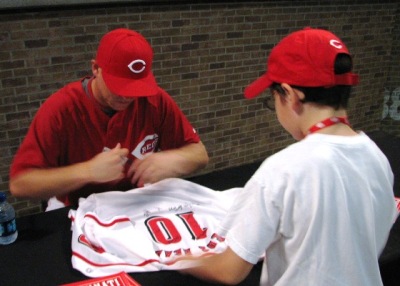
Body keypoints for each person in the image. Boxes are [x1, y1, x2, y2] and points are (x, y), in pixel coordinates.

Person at [180, 27, 398, 285]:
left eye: (273, 99)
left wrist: (179, 259)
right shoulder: (377, 158)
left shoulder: (282, 170)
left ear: (291, 95)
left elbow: (228, 271)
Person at [9, 28, 209, 210]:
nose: (127, 96)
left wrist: (174, 160)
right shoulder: (60, 109)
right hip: (76, 209)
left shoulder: (154, 100)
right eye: (119, 86)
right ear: (96, 69)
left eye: (135, 88)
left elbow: (199, 154)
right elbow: (20, 184)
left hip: (135, 203)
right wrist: (87, 171)